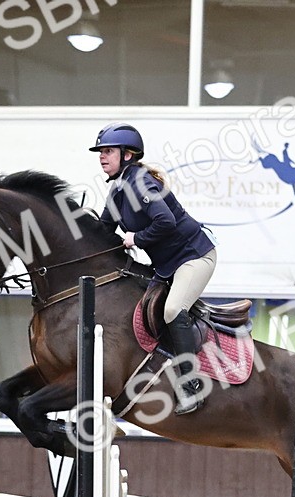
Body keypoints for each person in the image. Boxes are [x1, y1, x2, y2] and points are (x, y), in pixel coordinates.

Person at [90, 123, 217, 415]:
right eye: (100, 152)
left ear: (128, 155)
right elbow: (104, 232)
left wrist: (135, 238)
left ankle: (190, 386)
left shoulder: (141, 183)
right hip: (166, 267)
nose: (101, 157)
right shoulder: (118, 191)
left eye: (108, 151)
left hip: (194, 258)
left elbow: (166, 222)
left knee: (172, 311)